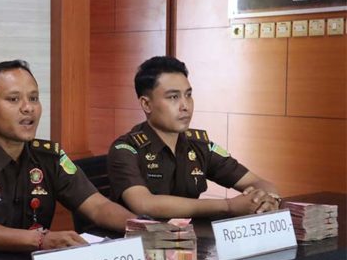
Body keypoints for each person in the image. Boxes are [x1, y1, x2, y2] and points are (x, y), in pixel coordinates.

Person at [0, 60, 136, 252]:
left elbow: (98, 206)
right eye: (14, 99)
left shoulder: (49, 156)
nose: (28, 108)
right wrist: (39, 239)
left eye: (33, 98)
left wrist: (143, 226)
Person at [108, 56, 281, 219]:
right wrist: (228, 206)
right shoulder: (126, 149)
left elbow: (257, 182)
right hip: (142, 238)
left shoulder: (199, 146)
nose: (185, 106)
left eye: (188, 95)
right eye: (173, 97)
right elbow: (144, 204)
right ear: (146, 104)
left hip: (190, 237)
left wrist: (266, 199)